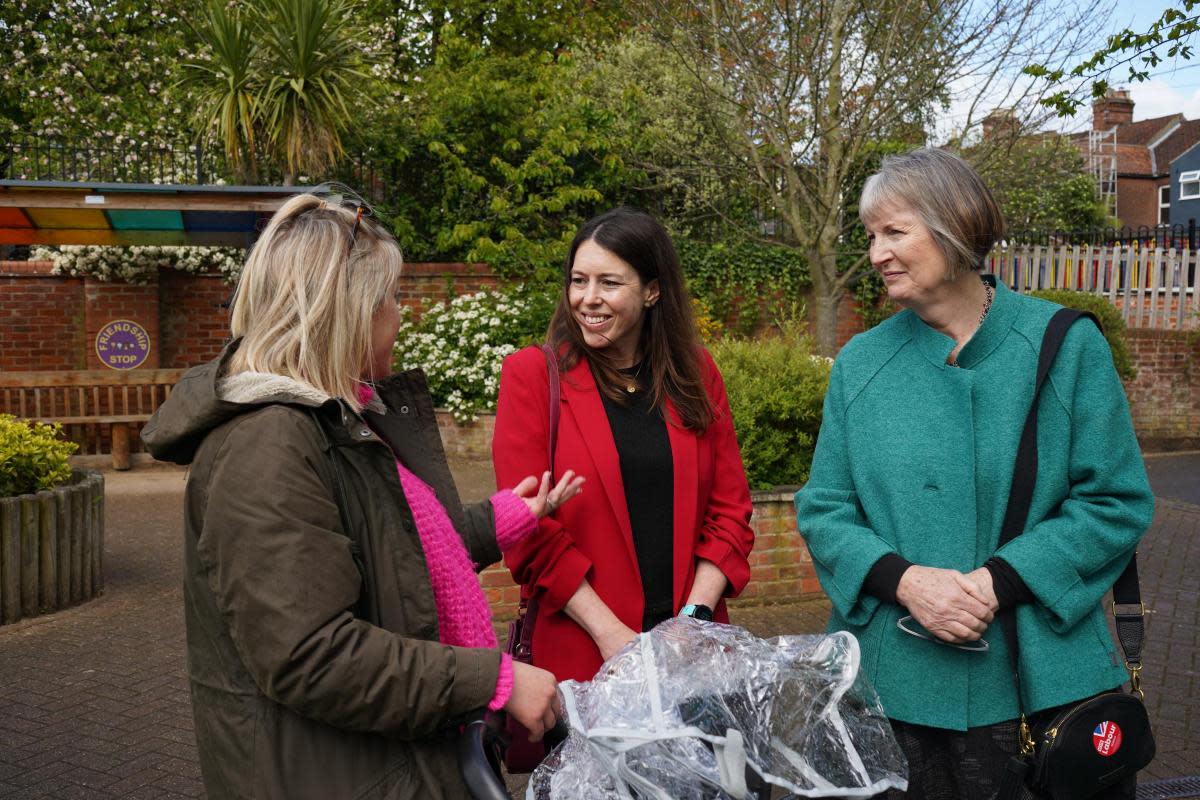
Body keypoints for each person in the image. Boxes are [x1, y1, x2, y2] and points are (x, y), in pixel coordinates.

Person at [141, 191, 582, 799]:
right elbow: (312, 654)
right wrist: (493, 681)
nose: (400, 315)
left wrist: (508, 517)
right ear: (345, 312)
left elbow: (393, 553)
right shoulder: (268, 445)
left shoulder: (340, 419)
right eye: (390, 299)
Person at [794, 148, 1154, 799]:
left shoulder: (1065, 345)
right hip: (888, 687)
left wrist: (997, 582)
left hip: (1035, 686)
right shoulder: (860, 363)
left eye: (894, 231)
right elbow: (824, 509)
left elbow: (1115, 501)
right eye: (870, 235)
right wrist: (904, 582)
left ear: (953, 225)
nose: (876, 253)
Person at [491, 206, 756, 684]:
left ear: (652, 291)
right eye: (578, 280)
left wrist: (693, 620)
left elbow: (730, 510)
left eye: (609, 283)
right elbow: (529, 532)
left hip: (691, 657)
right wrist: (611, 634)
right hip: (584, 655)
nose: (588, 299)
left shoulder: (695, 374)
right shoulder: (532, 376)